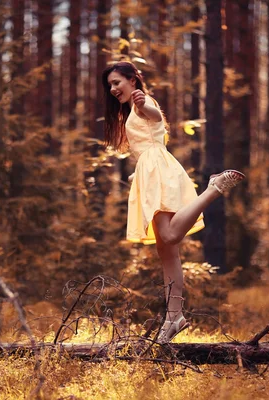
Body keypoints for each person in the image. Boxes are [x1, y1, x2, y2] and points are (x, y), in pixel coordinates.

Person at [102, 61, 245, 343]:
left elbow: (154, 115)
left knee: (168, 235)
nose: (113, 89)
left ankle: (213, 189)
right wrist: (138, 176)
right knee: (166, 250)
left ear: (132, 80)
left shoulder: (142, 102)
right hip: (151, 171)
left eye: (117, 82)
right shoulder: (130, 110)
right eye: (110, 85)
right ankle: (174, 316)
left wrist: (142, 102)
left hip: (157, 169)